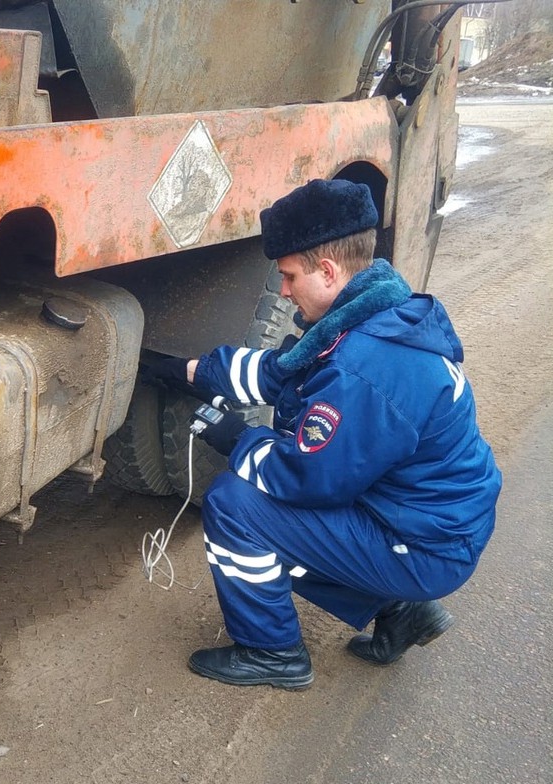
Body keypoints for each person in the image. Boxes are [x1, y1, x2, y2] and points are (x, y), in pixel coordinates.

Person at [143, 178, 501, 690]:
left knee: (236, 503)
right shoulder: (373, 312)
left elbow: (303, 479)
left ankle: (273, 652)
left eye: (288, 276)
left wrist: (236, 439)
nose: (283, 290)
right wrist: (187, 372)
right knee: (290, 518)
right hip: (427, 523)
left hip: (426, 546)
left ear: (328, 271)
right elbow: (279, 371)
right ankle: (401, 613)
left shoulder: (365, 367)